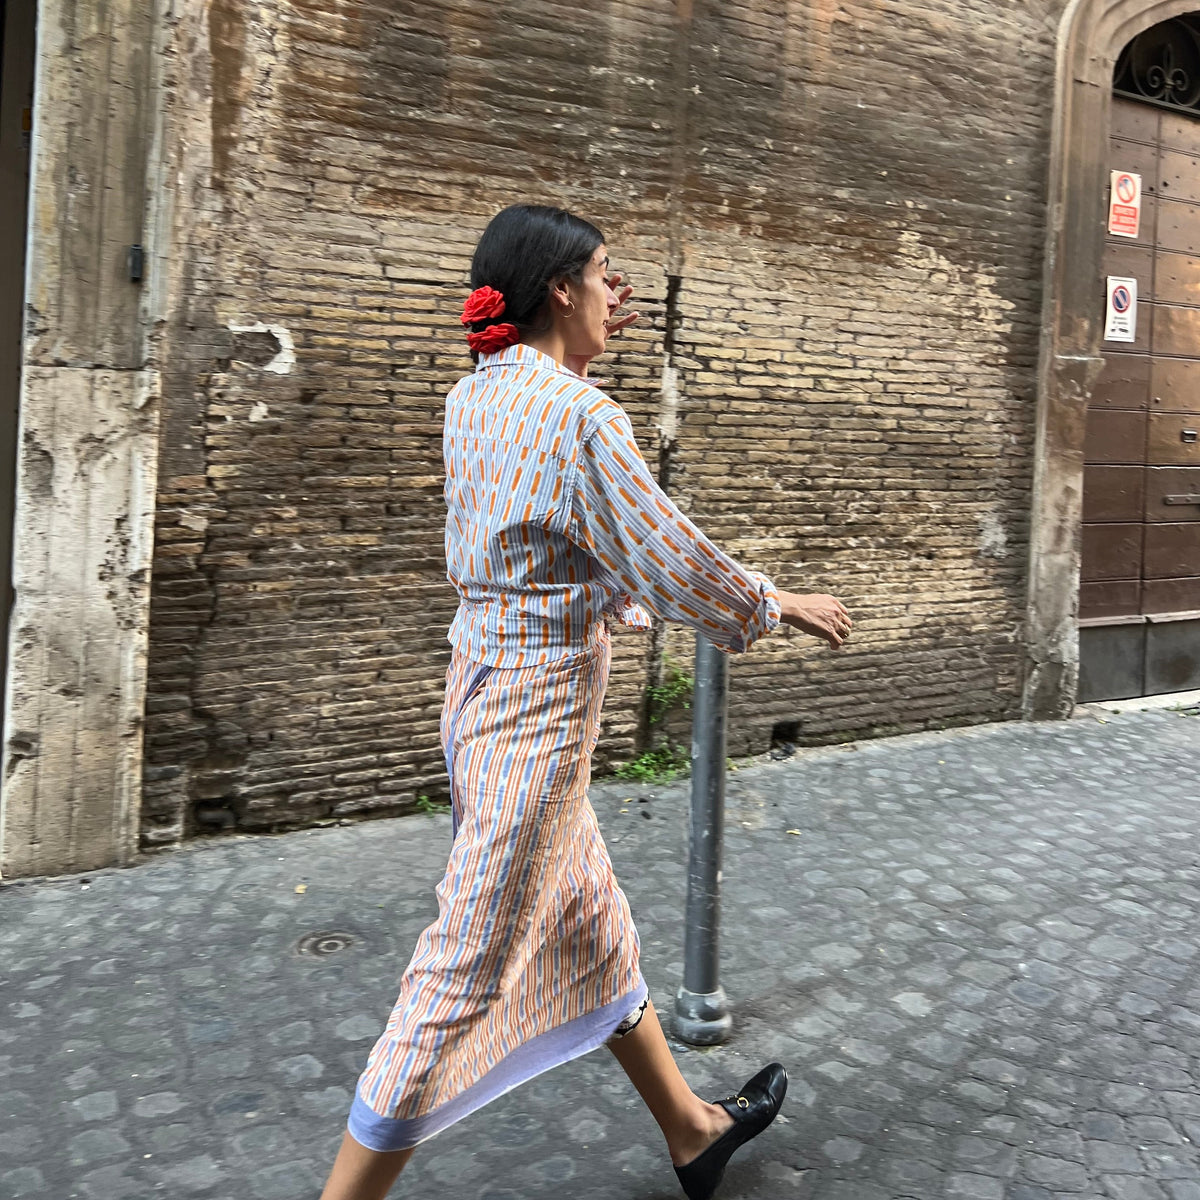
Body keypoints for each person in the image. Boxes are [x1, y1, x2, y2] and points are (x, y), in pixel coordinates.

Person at [320, 204, 853, 1200]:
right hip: (533, 724)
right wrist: (773, 601)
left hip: (480, 698)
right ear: (559, 286)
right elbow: (665, 552)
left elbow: (547, 526)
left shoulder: (479, 396)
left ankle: (693, 1131)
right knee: (461, 973)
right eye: (607, 274)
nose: (622, 291)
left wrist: (576, 362)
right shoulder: (578, 417)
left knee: (591, 926)